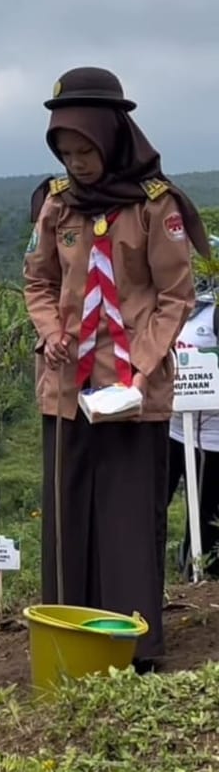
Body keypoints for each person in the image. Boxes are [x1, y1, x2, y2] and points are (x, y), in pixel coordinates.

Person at [23, 67, 207, 670]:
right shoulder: (56, 204)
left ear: (113, 136)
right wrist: (51, 333)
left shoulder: (156, 207)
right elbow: (39, 281)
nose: (77, 163)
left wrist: (138, 367)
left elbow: (176, 296)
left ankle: (135, 646)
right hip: (68, 388)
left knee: (129, 515)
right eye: (66, 151)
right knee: (67, 516)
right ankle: (69, 637)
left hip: (133, 391)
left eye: (86, 150)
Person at [168, 246, 219, 578]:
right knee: (151, 504)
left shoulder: (213, 315)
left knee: (203, 516)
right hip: (170, 428)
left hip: (211, 437)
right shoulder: (181, 312)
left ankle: (197, 576)